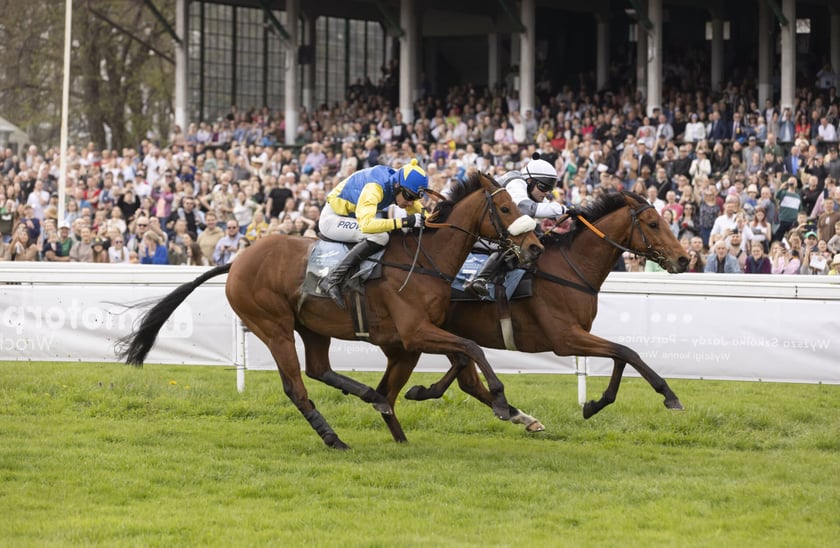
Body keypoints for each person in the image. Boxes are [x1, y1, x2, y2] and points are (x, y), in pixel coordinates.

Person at [317, 158, 429, 308]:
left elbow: (420, 212)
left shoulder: (400, 185)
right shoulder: (375, 187)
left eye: (415, 198)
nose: (410, 202)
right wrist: (403, 222)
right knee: (380, 236)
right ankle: (332, 278)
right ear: (397, 186)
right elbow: (366, 225)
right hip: (332, 219)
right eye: (409, 196)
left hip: (351, 217)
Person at [465, 153, 568, 296]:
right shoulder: (516, 182)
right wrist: (563, 209)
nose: (546, 193)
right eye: (544, 187)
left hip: (489, 230)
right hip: (474, 231)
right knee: (516, 240)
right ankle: (481, 279)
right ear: (530, 180)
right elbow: (525, 208)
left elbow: (547, 208)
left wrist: (571, 212)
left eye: (550, 189)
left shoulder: (530, 188)